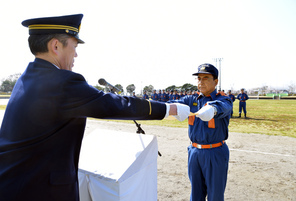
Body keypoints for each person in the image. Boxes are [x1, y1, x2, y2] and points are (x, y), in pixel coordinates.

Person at [0, 14, 190, 201]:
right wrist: (169, 108)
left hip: (16, 184)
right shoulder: (61, 83)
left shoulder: (27, 77)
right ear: (56, 46)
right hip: (39, 191)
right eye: (74, 46)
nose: (76, 54)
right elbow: (112, 104)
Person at [169, 63, 232, 201]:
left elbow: (224, 107)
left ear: (215, 81)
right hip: (194, 151)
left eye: (205, 78)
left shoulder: (223, 99)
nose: (200, 81)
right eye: (198, 78)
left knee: (215, 195)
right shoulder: (191, 99)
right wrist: (168, 109)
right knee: (196, 194)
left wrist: (212, 109)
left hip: (215, 152)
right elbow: (171, 103)